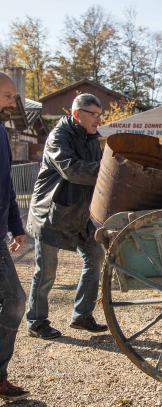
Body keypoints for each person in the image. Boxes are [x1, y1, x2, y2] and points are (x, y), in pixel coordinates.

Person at [26, 93, 107, 339]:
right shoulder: (57, 137)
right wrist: (108, 170)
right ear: (76, 114)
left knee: (95, 257)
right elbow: (71, 170)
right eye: (93, 114)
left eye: (99, 115)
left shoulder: (92, 138)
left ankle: (82, 315)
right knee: (46, 271)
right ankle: (36, 322)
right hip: (51, 213)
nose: (98, 120)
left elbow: (97, 175)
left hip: (80, 214)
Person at [0, 73, 29, 401]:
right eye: (8, 95)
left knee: (11, 299)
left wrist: (16, 227)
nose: (12, 102)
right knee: (15, 299)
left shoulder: (1, 133)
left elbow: (6, 185)